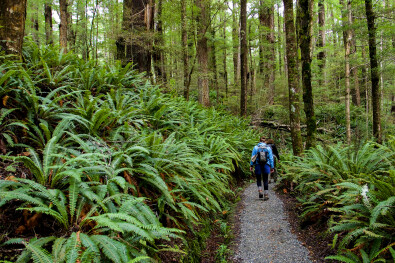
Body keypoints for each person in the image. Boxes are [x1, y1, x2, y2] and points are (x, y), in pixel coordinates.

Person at [250, 136, 274, 200]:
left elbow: (253, 157)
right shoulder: (268, 148)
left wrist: (251, 165)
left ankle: (260, 191)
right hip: (266, 165)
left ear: (259, 141)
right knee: (265, 179)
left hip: (258, 165)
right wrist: (272, 167)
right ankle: (266, 194)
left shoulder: (256, 147)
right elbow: (271, 158)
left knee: (258, 178)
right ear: (265, 141)